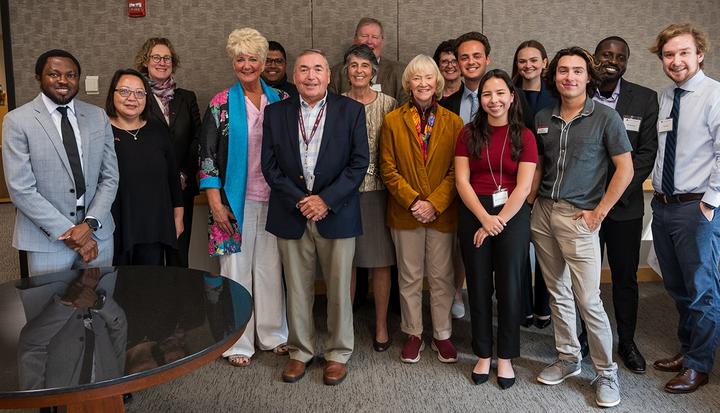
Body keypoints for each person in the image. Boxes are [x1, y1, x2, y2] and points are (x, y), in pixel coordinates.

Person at [531, 47, 633, 408]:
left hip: (580, 218)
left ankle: (606, 374)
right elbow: (541, 165)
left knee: (589, 299)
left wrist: (599, 213)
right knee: (557, 292)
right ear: (553, 76)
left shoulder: (606, 118)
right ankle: (568, 358)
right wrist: (530, 201)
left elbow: (625, 169)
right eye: (562, 71)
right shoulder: (544, 116)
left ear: (589, 77)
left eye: (577, 71)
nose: (569, 77)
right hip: (543, 214)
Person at [261, 49, 369, 385]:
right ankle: (300, 352)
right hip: (291, 212)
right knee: (297, 288)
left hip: (336, 212)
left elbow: (358, 163)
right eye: (304, 70)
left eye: (317, 69)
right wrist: (302, 200)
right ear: (294, 77)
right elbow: (270, 166)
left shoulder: (351, 110)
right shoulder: (276, 112)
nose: (310, 76)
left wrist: (325, 200)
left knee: (338, 288)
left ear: (329, 76)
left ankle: (338, 354)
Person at [199, 28, 289, 367]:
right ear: (232, 62)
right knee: (235, 271)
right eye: (241, 58)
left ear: (264, 62)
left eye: (253, 58)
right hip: (233, 202)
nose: (247, 65)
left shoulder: (280, 100)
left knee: (269, 268)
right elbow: (206, 158)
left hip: (274, 199)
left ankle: (272, 334)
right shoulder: (220, 103)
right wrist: (215, 204)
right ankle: (238, 341)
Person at [648, 23, 720, 394]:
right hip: (663, 207)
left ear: (700, 54)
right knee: (675, 286)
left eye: (683, 53)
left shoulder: (714, 95)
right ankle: (687, 348)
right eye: (668, 55)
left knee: (702, 290)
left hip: (697, 208)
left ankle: (698, 365)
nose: (675, 61)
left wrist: (710, 204)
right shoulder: (666, 97)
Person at [2, 49, 118, 276]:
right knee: (51, 309)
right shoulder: (17, 121)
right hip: (46, 241)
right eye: (54, 74)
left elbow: (110, 177)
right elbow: (21, 189)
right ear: (39, 77)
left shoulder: (97, 116)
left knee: (99, 304)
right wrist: (70, 232)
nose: (63, 80)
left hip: (98, 235)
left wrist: (90, 225)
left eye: (71, 75)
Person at [455, 69, 537, 389]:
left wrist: (497, 221)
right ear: (481, 99)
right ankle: (483, 353)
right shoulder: (468, 134)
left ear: (511, 96)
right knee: (477, 285)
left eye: (500, 93)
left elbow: (524, 186)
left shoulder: (525, 136)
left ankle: (505, 356)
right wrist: (484, 220)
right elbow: (462, 181)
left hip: (512, 214)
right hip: (474, 209)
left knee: (510, 286)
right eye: (487, 94)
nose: (494, 100)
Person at [379, 54, 463, 365]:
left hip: (442, 213)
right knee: (410, 276)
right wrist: (415, 202)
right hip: (406, 212)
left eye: (429, 77)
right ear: (408, 83)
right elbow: (387, 169)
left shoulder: (454, 123)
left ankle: (442, 334)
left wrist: (434, 203)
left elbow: (458, 171)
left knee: (442, 276)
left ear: (437, 83)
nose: (423, 83)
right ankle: (413, 333)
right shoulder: (392, 120)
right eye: (417, 78)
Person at [590, 36, 659, 374]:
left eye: (619, 56)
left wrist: (613, 195)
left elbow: (646, 154)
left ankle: (627, 342)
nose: (612, 60)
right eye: (606, 54)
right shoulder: (578, 90)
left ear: (626, 61)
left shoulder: (645, 99)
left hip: (624, 208)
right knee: (583, 278)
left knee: (624, 278)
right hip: (583, 207)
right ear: (594, 56)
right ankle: (584, 339)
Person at [341, 44, 398, 352]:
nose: (359, 71)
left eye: (365, 65)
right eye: (353, 65)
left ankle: (380, 326)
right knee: (345, 262)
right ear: (346, 70)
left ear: (374, 70)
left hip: (379, 192)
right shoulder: (335, 103)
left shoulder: (389, 104)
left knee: (380, 262)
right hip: (343, 194)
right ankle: (344, 325)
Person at [134, 37, 202, 268]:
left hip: (182, 189)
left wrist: (183, 173)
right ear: (145, 61)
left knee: (178, 254)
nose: (162, 62)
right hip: (148, 191)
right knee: (150, 258)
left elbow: (197, 139)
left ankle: (179, 304)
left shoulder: (187, 98)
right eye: (156, 57)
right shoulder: (135, 97)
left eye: (167, 58)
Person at [105, 68, 183, 265]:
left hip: (155, 226)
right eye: (124, 91)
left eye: (139, 93)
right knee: (116, 287)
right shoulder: (101, 130)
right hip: (116, 225)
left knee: (150, 288)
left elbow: (173, 177)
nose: (132, 98)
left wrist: (178, 217)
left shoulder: (157, 129)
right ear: (112, 94)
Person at [511, 40, 557, 331]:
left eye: (533, 60)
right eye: (522, 61)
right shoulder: (509, 93)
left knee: (545, 251)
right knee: (518, 253)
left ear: (544, 62)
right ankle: (523, 309)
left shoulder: (555, 95)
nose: (527, 66)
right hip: (515, 183)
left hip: (550, 180)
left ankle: (543, 307)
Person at [329, 17, 406, 103]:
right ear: (355, 39)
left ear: (382, 41)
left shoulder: (400, 72)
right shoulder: (336, 73)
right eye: (364, 36)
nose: (369, 41)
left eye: (375, 37)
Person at [439, 32, 491, 124]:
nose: (471, 62)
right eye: (464, 58)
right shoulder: (446, 105)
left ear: (487, 60)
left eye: (476, 56)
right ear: (458, 63)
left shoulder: (507, 99)